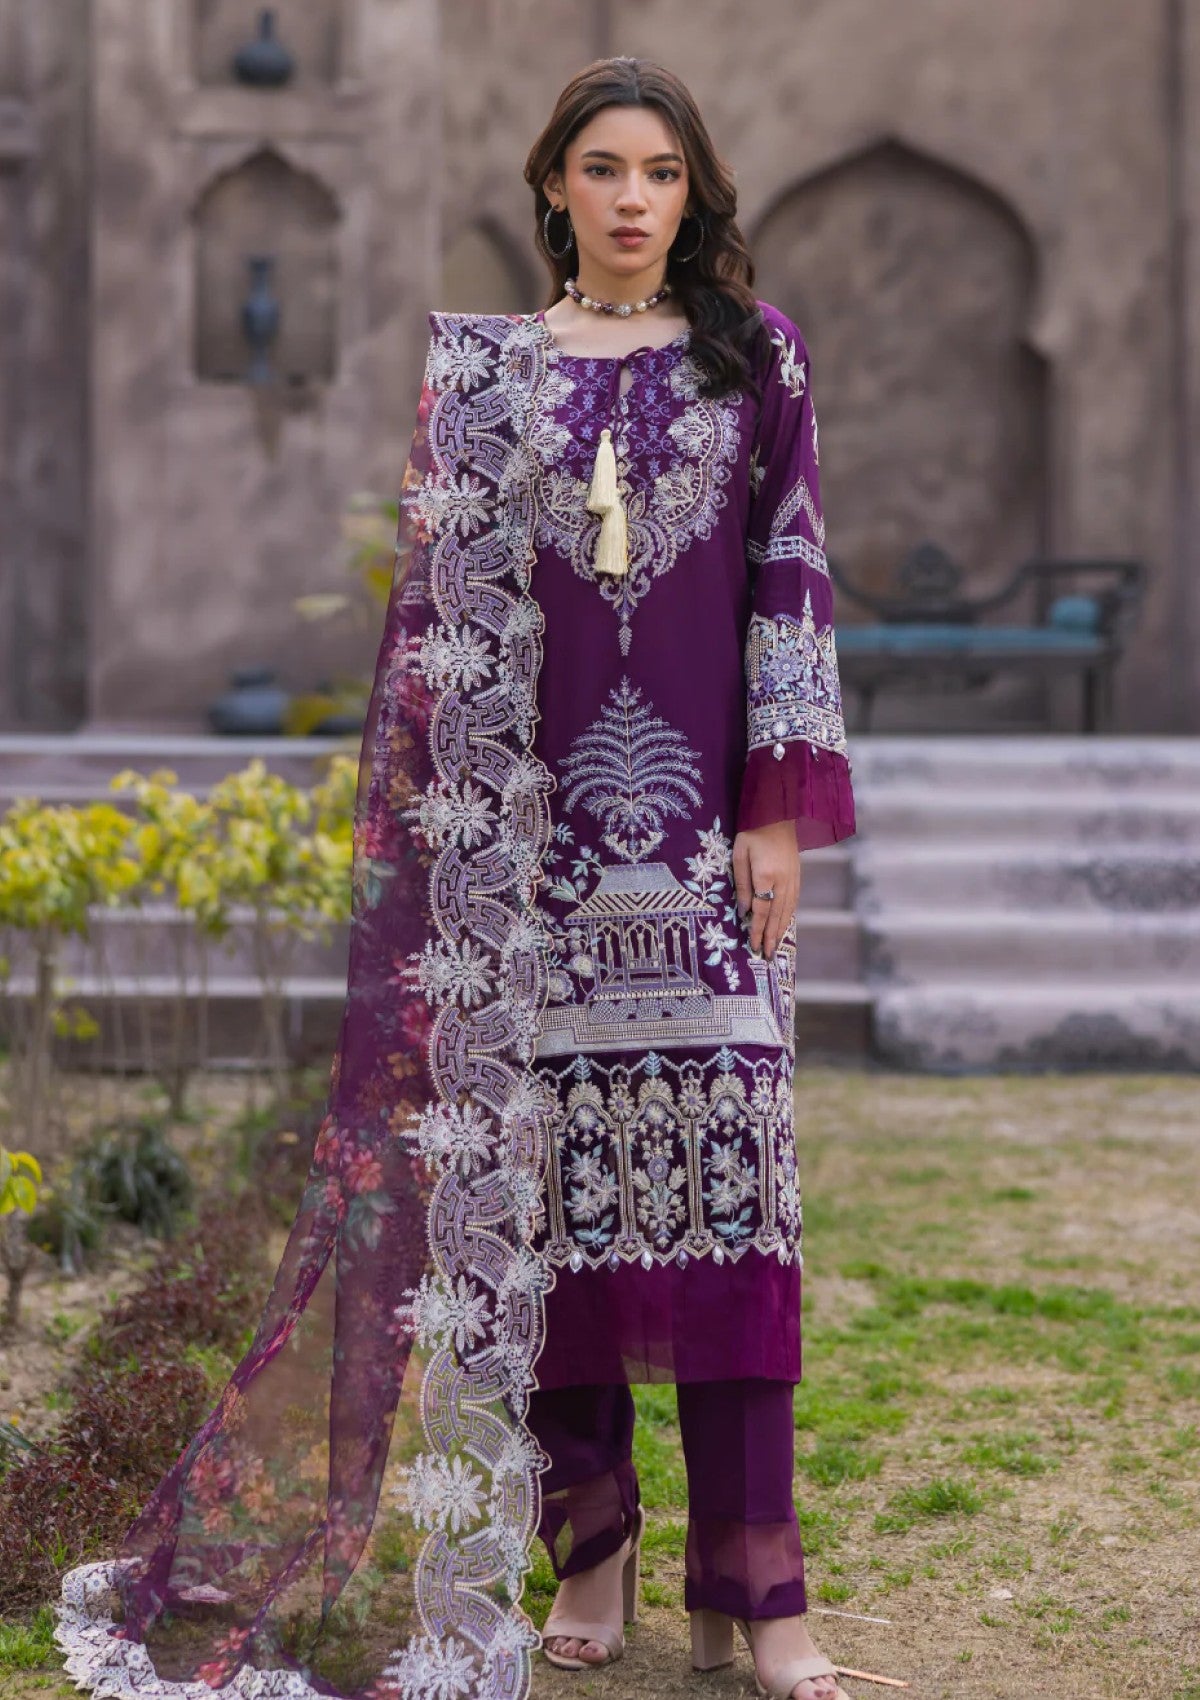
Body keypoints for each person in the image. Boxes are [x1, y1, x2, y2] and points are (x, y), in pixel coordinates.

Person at [54, 54, 855, 1700]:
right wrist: (445, 848)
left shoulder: (754, 358)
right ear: (553, 186)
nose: (634, 200)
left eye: (661, 174)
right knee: (544, 1230)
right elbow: (438, 634)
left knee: (735, 1225)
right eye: (603, 169)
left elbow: (792, 581)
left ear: (693, 194)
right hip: (525, 871)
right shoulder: (490, 376)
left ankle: (759, 1587)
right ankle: (593, 1547)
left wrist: (776, 810)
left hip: (702, 857)